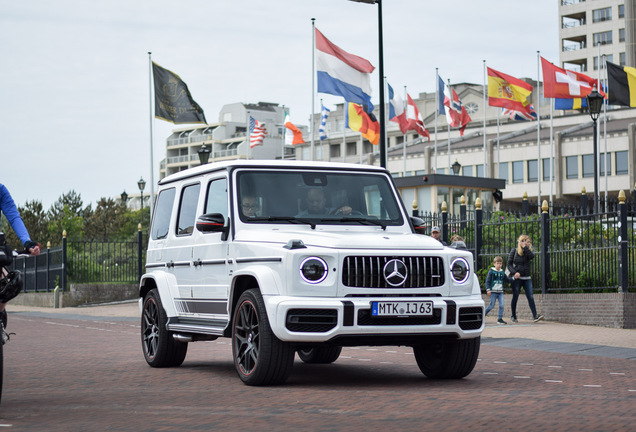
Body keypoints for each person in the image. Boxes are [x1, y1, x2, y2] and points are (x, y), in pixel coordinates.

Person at [0, 183, 41, 342]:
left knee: (10, 281)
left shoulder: (1, 190)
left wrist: (28, 243)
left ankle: (0, 315)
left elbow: (13, 216)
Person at [507, 234, 543, 323]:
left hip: (527, 278)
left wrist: (525, 248)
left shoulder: (528, 251)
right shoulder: (514, 251)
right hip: (517, 278)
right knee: (515, 296)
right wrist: (515, 273)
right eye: (527, 242)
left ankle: (535, 316)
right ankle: (513, 315)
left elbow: (532, 256)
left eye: (529, 242)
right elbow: (509, 264)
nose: (529, 244)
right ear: (522, 241)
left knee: (530, 296)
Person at [485, 256, 507, 324]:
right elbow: (487, 281)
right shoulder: (491, 271)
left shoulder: (502, 272)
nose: (499, 265)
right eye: (497, 263)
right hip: (493, 291)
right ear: (494, 264)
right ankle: (483, 315)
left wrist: (513, 278)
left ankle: (499, 319)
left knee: (502, 305)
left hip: (500, 292)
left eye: (500, 263)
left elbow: (507, 280)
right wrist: (488, 289)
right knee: (491, 305)